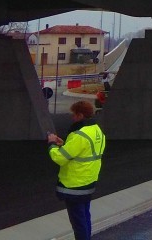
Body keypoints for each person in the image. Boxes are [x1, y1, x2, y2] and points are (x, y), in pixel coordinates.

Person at [47, 100, 106, 240]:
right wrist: (66, 144)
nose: (72, 117)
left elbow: (60, 158)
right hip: (89, 181)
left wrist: (52, 144)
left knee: (78, 222)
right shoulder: (96, 130)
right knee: (85, 217)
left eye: (74, 114)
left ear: (80, 115)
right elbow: (83, 151)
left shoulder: (79, 135)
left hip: (74, 185)